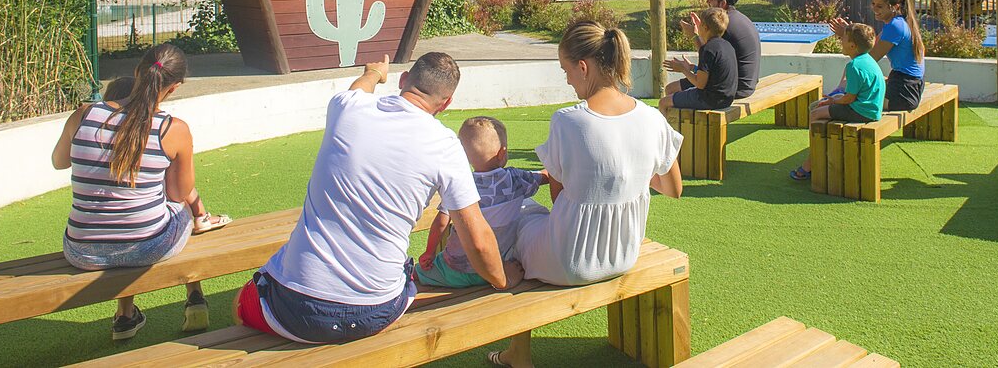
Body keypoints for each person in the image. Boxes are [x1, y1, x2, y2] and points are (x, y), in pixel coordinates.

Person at [234, 53, 522, 344]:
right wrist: (502, 280)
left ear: (404, 79)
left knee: (240, 303)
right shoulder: (446, 146)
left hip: (295, 308)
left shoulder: (347, 108)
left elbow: (359, 89)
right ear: (446, 103)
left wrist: (374, 73)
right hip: (377, 310)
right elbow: (477, 238)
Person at [493, 23, 683, 367]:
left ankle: (517, 352)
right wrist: (630, 171)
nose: (567, 80)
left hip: (569, 262)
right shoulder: (652, 118)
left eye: (566, 70)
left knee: (516, 212)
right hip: (623, 254)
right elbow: (673, 189)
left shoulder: (568, 121)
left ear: (583, 67)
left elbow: (558, 198)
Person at [51, 44, 230, 341]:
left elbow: (59, 162)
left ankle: (126, 313)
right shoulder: (173, 129)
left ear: (137, 71)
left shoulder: (84, 114)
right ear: (175, 87)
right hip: (148, 246)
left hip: (81, 251)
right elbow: (179, 193)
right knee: (182, 207)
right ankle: (195, 288)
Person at [417, 116, 547, 288]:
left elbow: (441, 222)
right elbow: (545, 176)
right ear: (502, 152)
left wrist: (429, 252)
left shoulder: (460, 184)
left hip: (454, 270)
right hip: (495, 269)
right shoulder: (515, 180)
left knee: (416, 273)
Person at [789, 23, 886, 180]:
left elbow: (849, 98)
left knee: (815, 113)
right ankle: (819, 154)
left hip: (860, 111)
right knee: (819, 107)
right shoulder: (868, 60)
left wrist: (833, 101)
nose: (841, 41)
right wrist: (835, 100)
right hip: (871, 110)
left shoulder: (854, 66)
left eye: (844, 38)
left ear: (852, 46)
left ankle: (812, 161)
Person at [829, 0, 925, 112]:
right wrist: (849, 33)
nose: (874, 9)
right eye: (873, 4)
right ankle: (838, 93)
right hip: (908, 85)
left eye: (880, 6)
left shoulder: (895, 27)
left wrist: (848, 37)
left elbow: (867, 60)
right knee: (851, 80)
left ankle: (837, 94)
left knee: (849, 94)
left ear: (895, 7)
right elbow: (870, 45)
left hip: (904, 92)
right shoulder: (898, 22)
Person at [665, 0, 761, 98]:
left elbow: (708, 55)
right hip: (745, 84)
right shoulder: (740, 18)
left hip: (733, 88)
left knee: (671, 90)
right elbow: (714, 60)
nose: (707, 2)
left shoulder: (724, 26)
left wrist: (694, 36)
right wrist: (703, 31)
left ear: (722, 4)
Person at [659, 7, 739, 112]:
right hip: (726, 99)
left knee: (663, 103)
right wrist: (693, 68)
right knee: (670, 88)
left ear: (705, 28)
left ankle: (668, 123)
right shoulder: (727, 45)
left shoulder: (708, 49)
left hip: (710, 99)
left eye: (700, 24)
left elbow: (700, 84)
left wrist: (682, 69)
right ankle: (680, 120)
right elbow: (713, 74)